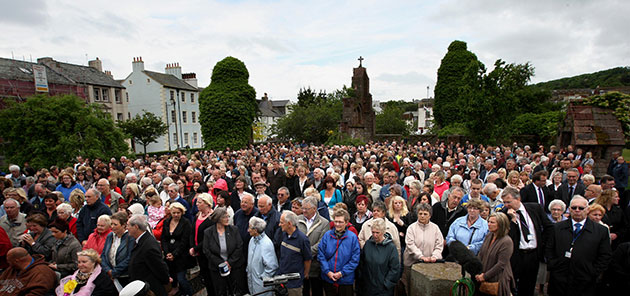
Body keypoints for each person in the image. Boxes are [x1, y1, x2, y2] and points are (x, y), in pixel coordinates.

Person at [545, 196, 612, 296]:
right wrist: (553, 265)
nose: (577, 210)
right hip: (560, 278)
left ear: (587, 209)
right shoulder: (557, 228)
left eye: (581, 208)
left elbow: (605, 255)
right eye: (574, 208)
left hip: (585, 279)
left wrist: (593, 271)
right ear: (569, 209)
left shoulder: (600, 231)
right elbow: (549, 249)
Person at [501, 186, 553, 296]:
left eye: (508, 202)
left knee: (529, 285)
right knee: (513, 285)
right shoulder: (504, 214)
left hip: (533, 254)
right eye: (504, 202)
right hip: (516, 255)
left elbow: (549, 227)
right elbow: (507, 236)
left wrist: (543, 244)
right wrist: (512, 221)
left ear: (518, 199)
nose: (506, 205)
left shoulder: (535, 208)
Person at [203, 207, 246, 295]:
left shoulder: (234, 230)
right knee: (220, 291)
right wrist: (221, 264)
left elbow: (239, 246)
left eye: (228, 216)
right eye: (225, 217)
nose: (228, 219)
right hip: (216, 268)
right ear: (218, 219)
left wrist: (229, 263)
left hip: (235, 267)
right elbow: (206, 250)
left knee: (236, 291)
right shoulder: (208, 232)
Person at [402, 203, 443, 294]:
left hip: (429, 264)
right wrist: (420, 256)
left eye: (425, 214)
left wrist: (435, 256)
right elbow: (410, 244)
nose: (422, 216)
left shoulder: (435, 228)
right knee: (410, 288)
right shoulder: (411, 228)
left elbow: (439, 245)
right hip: (411, 264)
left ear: (430, 215)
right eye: (420, 214)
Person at [318, 209, 360, 296]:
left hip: (345, 280)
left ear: (346, 222)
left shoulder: (352, 238)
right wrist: (327, 272)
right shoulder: (327, 235)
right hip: (328, 278)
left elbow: (355, 259)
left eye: (340, 222)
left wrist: (342, 273)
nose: (337, 224)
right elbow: (321, 255)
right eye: (335, 221)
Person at [128, 214, 170, 296]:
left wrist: (166, 281)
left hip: (151, 289)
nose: (127, 228)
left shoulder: (148, 246)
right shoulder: (141, 241)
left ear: (136, 227)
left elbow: (159, 268)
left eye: (128, 225)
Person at [475, 213, 515, 296]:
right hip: (483, 275)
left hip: (498, 279)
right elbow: (481, 254)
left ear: (501, 224)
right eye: (488, 222)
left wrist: (485, 276)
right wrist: (478, 271)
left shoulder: (506, 241)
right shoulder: (489, 236)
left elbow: (501, 264)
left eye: (492, 222)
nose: (489, 224)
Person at [297, 196, 330, 296]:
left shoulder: (324, 223)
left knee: (316, 290)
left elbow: (321, 243)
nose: (303, 211)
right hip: (299, 263)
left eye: (306, 209)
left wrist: (306, 253)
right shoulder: (297, 220)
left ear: (314, 209)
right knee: (303, 290)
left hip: (315, 265)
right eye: (302, 208)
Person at [359, 218, 400, 296]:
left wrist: (386, 284)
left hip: (383, 290)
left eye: (377, 233)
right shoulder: (368, 244)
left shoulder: (391, 248)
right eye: (373, 232)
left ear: (383, 232)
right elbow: (362, 263)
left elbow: (394, 268)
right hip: (368, 288)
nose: (375, 235)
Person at [162, 202, 195, 296]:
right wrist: (167, 252)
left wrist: (175, 254)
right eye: (174, 213)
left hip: (181, 256)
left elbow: (184, 242)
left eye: (178, 213)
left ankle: (189, 293)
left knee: (181, 278)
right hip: (169, 254)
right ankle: (176, 289)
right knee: (172, 276)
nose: (176, 215)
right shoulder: (167, 222)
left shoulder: (186, 223)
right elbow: (164, 238)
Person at [278, 210, 312, 296]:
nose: (279, 225)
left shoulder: (302, 239)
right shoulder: (283, 235)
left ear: (289, 224)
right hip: (282, 280)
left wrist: (305, 274)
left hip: (294, 284)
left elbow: (307, 259)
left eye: (282, 222)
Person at [189, 193, 215, 294]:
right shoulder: (197, 215)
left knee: (210, 278)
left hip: (207, 252)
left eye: (199, 202)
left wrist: (196, 248)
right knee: (204, 276)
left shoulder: (211, 218)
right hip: (197, 252)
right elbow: (192, 232)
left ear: (207, 204)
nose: (197, 204)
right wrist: (192, 246)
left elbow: (208, 239)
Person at [101, 211, 135, 288]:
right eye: (111, 224)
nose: (112, 227)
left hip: (124, 276)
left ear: (124, 225)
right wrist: (108, 270)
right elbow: (103, 255)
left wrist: (114, 272)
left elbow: (129, 258)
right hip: (109, 275)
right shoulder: (110, 236)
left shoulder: (130, 238)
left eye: (115, 224)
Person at [246, 216, 279, 296]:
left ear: (255, 230)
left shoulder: (266, 244)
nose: (248, 230)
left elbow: (272, 266)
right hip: (252, 283)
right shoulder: (252, 240)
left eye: (250, 228)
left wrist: (262, 278)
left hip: (262, 287)